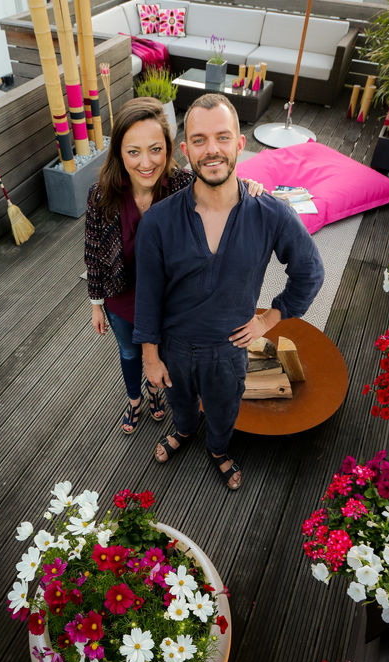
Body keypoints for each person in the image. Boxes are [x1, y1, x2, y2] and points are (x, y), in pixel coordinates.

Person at [132, 93, 325, 490]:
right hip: (176, 344)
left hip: (229, 348)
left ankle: (218, 450)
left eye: (222, 137)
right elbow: (147, 297)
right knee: (180, 403)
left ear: (240, 144)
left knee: (223, 410)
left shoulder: (270, 214)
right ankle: (184, 432)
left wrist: (272, 317)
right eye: (199, 140)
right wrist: (150, 359)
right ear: (186, 151)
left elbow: (310, 271)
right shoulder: (159, 221)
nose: (212, 149)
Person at [85, 96, 265, 434]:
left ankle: (156, 392)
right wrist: (96, 304)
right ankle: (134, 398)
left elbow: (222, 190)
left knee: (161, 353)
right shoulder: (101, 195)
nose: (145, 162)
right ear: (119, 153)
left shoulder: (182, 186)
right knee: (128, 352)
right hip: (121, 298)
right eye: (133, 151)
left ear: (169, 150)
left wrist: (250, 188)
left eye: (155, 149)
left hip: (169, 300)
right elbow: (93, 253)